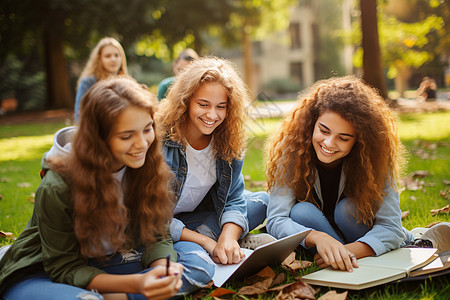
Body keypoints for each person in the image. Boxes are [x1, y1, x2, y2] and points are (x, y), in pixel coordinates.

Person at [0, 77, 214, 300]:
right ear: (98, 138)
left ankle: (117, 295)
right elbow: (63, 268)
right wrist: (137, 284)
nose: (142, 143)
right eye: (126, 135)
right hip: (44, 273)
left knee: (200, 265)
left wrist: (162, 271)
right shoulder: (58, 186)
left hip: (111, 262)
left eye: (147, 129)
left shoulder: (146, 166)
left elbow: (157, 236)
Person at [265, 76, 450, 273]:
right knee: (301, 212)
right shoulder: (292, 154)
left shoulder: (374, 159)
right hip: (319, 235)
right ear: (311, 123)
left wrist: (347, 251)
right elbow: (276, 220)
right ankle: (398, 248)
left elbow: (391, 226)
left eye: (343, 138)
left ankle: (415, 245)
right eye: (324, 130)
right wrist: (316, 237)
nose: (329, 143)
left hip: (357, 233)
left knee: (347, 210)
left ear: (360, 140)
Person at [157, 56, 274, 265]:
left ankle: (226, 242)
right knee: (191, 249)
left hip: (198, 218)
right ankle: (208, 244)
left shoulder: (228, 140)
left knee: (262, 201)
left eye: (221, 106)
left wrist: (228, 237)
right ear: (186, 101)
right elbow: (146, 214)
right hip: (161, 225)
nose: (212, 115)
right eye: (203, 104)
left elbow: (234, 198)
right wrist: (204, 241)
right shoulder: (160, 141)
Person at [74, 37, 128, 121]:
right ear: (99, 59)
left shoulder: (127, 83)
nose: (113, 59)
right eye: (108, 56)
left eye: (116, 55)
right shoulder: (88, 82)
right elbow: (79, 115)